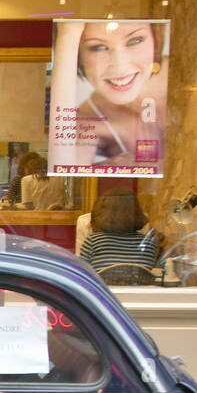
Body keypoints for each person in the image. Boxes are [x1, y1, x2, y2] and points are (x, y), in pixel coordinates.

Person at [50, 20, 167, 171]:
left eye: (135, 41)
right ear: (78, 57)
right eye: (98, 47)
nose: (120, 66)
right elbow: (61, 169)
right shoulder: (88, 120)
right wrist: (67, 32)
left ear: (155, 38)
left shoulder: (187, 79)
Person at [78, 188, 159, 271]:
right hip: (137, 284)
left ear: (102, 213)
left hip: (102, 284)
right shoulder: (148, 244)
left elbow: (83, 274)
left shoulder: (92, 242)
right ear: (137, 212)